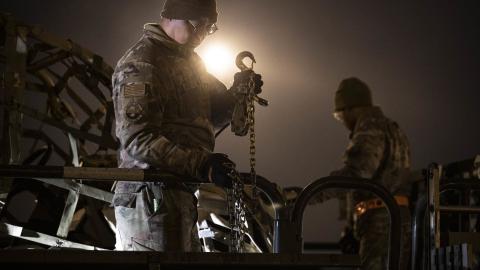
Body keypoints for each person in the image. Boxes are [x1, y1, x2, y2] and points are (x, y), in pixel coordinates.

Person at [111, 0, 262, 252]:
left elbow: (203, 124)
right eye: (198, 25)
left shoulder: (190, 63)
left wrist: (235, 96)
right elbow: (138, 140)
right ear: (174, 16)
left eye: (209, 27)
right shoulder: (142, 63)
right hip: (149, 196)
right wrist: (201, 164)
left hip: (178, 192)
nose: (203, 34)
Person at [316, 77, 412, 269]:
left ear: (351, 108)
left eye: (341, 115)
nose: (342, 121)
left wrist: (312, 193)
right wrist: (351, 227)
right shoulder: (392, 128)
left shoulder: (370, 128)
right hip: (394, 220)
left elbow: (357, 175)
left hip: (380, 224)